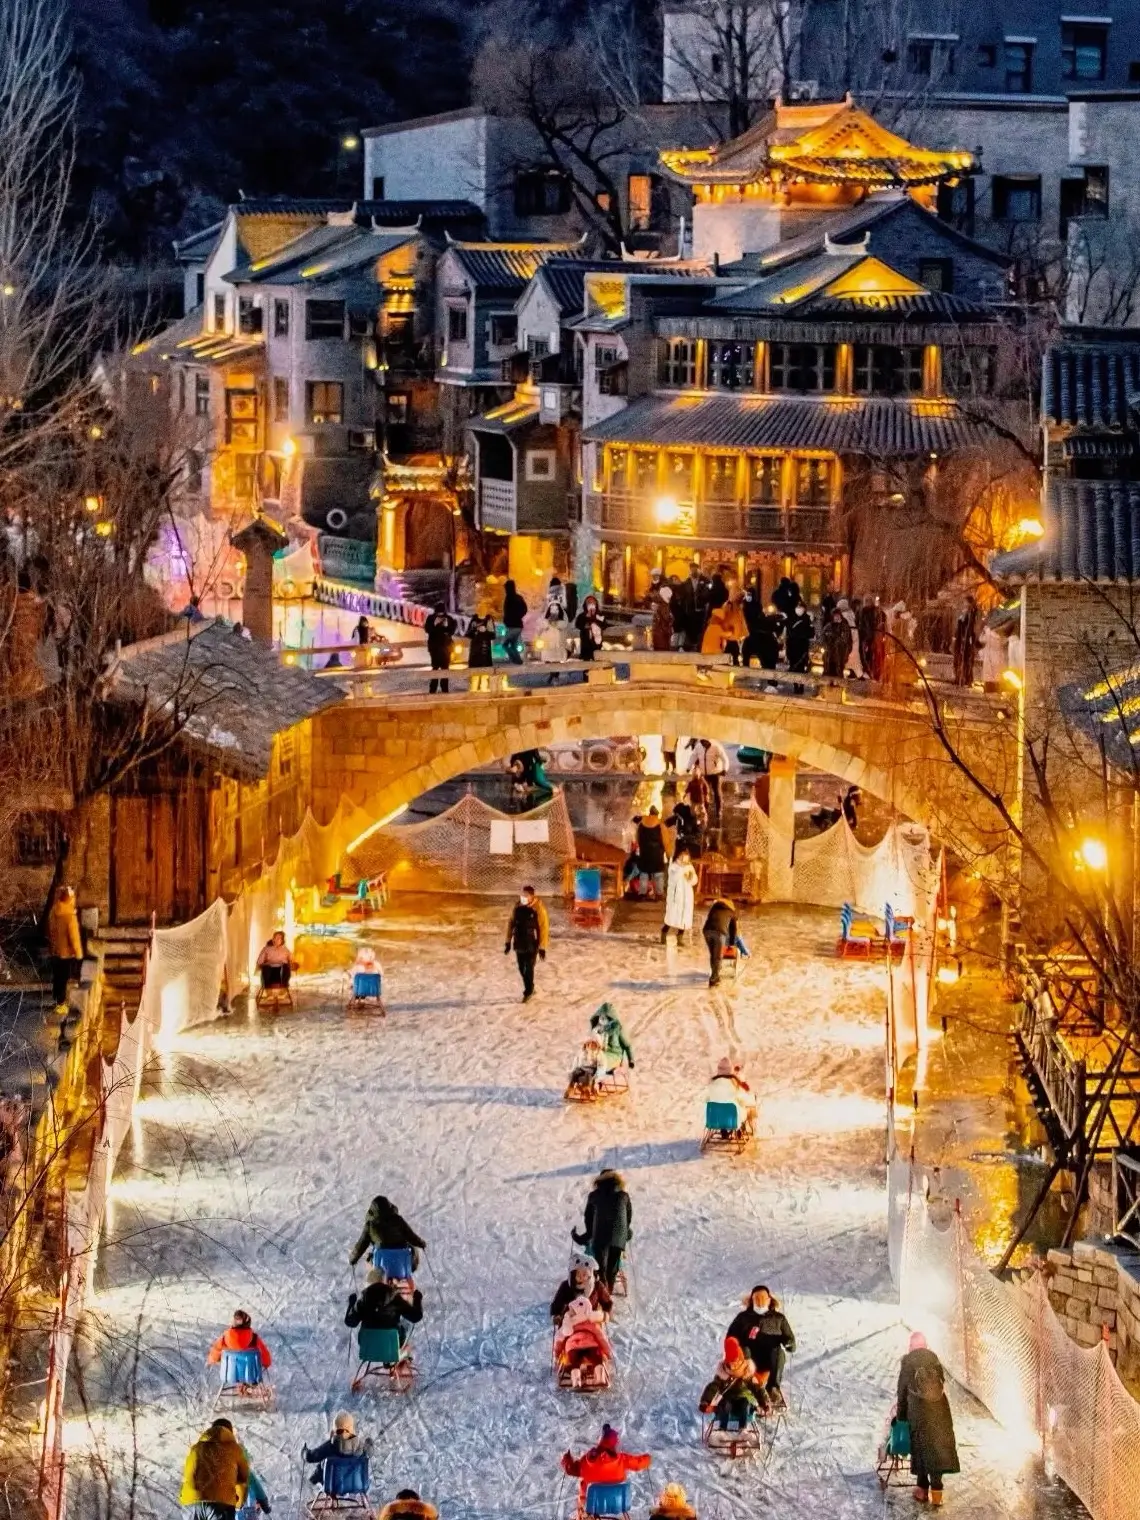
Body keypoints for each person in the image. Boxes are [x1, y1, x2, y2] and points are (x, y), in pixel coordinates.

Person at [897, 1331, 959, 1506]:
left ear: (911, 1347)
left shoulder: (908, 1362)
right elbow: (941, 1384)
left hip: (918, 1412)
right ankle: (937, 1495)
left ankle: (922, 1490)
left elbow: (902, 1392)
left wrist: (901, 1418)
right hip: (939, 1411)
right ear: (925, 1346)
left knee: (921, 1449)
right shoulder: (934, 1359)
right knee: (937, 1448)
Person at [726, 1286, 796, 1399]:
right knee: (744, 1348)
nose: (760, 1302)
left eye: (763, 1298)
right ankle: (740, 1385)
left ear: (769, 1300)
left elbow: (790, 1339)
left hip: (769, 1360)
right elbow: (731, 1337)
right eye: (757, 1299)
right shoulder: (743, 1317)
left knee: (778, 1352)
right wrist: (735, 1350)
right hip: (748, 1359)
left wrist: (789, 1343)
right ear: (752, 1300)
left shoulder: (779, 1319)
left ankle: (773, 1388)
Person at [572, 1170, 632, 1291]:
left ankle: (603, 1292)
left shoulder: (594, 1195)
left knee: (600, 1267)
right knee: (612, 1269)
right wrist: (627, 1233)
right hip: (619, 1238)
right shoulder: (624, 1196)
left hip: (600, 1237)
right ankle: (608, 1292)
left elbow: (588, 1218)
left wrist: (581, 1237)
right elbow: (628, 1218)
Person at [560, 1425, 650, 1505]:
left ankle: (582, 1509)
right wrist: (648, 1458)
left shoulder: (586, 1463)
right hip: (616, 1503)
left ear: (601, 1441)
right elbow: (640, 1464)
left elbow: (569, 1469)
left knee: (583, 1484)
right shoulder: (623, 1460)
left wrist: (566, 1458)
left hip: (592, 1504)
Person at [180, 1418, 249, 1520]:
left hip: (191, 1504)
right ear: (230, 1432)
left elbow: (187, 1476)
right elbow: (242, 1480)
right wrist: (239, 1504)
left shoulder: (196, 1448)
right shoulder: (235, 1450)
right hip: (220, 1504)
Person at [699, 1335, 771, 1427]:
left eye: (735, 1362)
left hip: (744, 1399)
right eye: (731, 1363)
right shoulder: (723, 1373)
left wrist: (764, 1401)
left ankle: (743, 1428)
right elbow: (713, 1387)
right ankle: (722, 1428)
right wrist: (706, 1401)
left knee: (744, 1404)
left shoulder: (746, 1373)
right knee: (724, 1404)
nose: (733, 1366)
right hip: (728, 1400)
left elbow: (757, 1388)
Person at [345, 1266, 423, 1343]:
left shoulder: (364, 1297)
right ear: (384, 1280)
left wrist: (352, 1303)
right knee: (403, 1325)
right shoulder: (393, 1296)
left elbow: (350, 1322)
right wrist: (417, 1298)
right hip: (390, 1346)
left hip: (368, 1347)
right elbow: (416, 1317)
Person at [348, 1196, 426, 1269]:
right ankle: (408, 1272)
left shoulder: (370, 1225)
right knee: (413, 1249)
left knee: (371, 1257)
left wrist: (353, 1259)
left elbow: (361, 1245)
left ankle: (376, 1274)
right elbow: (411, 1236)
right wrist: (421, 1243)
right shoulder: (398, 1219)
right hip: (401, 1257)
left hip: (382, 1259)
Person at [553, 1294, 614, 1382]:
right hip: (591, 1345)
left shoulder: (568, 1324)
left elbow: (559, 1340)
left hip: (573, 1347)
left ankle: (576, 1378)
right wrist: (607, 1352)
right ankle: (600, 1375)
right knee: (597, 1359)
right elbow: (601, 1338)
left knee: (574, 1362)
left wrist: (557, 1353)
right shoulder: (591, 1323)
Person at [504, 884, 548, 1002]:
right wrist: (508, 941)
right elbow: (511, 923)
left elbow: (544, 928)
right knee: (521, 968)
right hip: (519, 942)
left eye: (526, 895)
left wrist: (542, 947)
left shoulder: (538, 908)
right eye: (522, 894)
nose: (523, 897)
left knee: (529, 968)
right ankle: (530, 986)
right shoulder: (517, 906)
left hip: (532, 943)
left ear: (532, 896)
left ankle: (528, 991)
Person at [302, 1412, 373, 1485]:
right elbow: (369, 1453)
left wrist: (305, 1452)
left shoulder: (330, 1446)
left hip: (331, 1486)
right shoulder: (360, 1447)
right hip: (353, 1485)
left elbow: (310, 1457)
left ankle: (310, 1484)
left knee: (321, 1466)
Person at [47, 884, 83, 1010]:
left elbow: (50, 931)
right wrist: (79, 953)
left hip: (55, 951)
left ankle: (56, 1000)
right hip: (66, 953)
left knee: (57, 977)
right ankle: (61, 1004)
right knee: (64, 978)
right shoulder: (70, 917)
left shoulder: (54, 912)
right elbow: (74, 937)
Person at [550, 1254, 614, 1323]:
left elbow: (607, 1302)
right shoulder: (566, 1285)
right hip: (570, 1320)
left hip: (590, 1320)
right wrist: (557, 1315)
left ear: (589, 1275)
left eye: (584, 1274)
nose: (581, 1277)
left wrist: (606, 1313)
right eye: (578, 1274)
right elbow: (558, 1302)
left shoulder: (597, 1285)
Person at [206, 1309, 272, 1370]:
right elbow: (264, 1353)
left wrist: (211, 1360)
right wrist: (267, 1364)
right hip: (249, 1372)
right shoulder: (254, 1338)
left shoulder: (225, 1337)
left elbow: (215, 1350)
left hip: (230, 1373)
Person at [662, 849, 698, 946]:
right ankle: (664, 933)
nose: (684, 860)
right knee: (672, 917)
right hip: (676, 897)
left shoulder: (690, 867)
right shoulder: (674, 866)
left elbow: (694, 880)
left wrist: (691, 878)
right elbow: (673, 878)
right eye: (682, 857)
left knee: (684, 919)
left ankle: (680, 938)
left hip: (686, 896)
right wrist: (683, 868)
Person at [631, 806, 668, 897]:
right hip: (657, 853)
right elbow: (665, 840)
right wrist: (666, 850)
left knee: (644, 873)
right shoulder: (660, 825)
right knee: (658, 874)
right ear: (657, 814)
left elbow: (637, 838)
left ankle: (642, 893)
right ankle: (659, 893)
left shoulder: (641, 824)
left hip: (644, 852)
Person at [589, 1003, 634, 1073]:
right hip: (601, 1053)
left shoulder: (618, 1028)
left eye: (606, 1018)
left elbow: (627, 1045)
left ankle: (594, 1073)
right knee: (589, 1058)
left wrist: (631, 1060)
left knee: (600, 1061)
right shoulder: (598, 1029)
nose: (602, 1020)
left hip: (615, 1055)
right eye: (601, 1017)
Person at [702, 898, 737, 988]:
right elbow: (733, 930)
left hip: (707, 931)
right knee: (717, 956)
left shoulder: (714, 907)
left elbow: (709, 919)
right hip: (719, 933)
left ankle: (715, 974)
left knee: (713, 954)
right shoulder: (731, 912)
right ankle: (713, 979)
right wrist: (731, 944)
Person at [674, 563, 709, 651]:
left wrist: (701, 598)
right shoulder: (687, 582)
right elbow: (682, 595)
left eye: (695, 569)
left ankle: (699, 645)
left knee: (700, 627)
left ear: (698, 569)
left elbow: (708, 592)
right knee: (690, 627)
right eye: (692, 569)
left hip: (701, 609)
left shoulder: (705, 581)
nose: (693, 571)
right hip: (690, 609)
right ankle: (691, 645)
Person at [424, 603, 456, 695]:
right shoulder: (431, 618)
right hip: (434, 648)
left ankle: (445, 689)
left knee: (445, 669)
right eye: (439, 613)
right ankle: (433, 689)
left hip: (446, 648)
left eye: (441, 613)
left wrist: (446, 626)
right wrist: (435, 624)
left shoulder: (448, 619)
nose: (440, 615)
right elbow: (427, 629)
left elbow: (451, 631)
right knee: (435, 668)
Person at [693, 739, 728, 820]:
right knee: (704, 792)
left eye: (704, 742)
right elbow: (693, 756)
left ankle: (718, 811)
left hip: (716, 773)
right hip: (704, 774)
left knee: (717, 792)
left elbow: (725, 759)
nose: (703, 744)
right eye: (701, 742)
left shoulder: (716, 746)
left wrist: (725, 769)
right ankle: (705, 811)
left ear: (708, 741)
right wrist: (689, 766)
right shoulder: (699, 746)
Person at [540, 580, 570, 663]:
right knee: (549, 650)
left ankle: (556, 664)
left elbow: (564, 623)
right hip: (549, 642)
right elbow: (543, 622)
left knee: (557, 651)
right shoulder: (559, 594)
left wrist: (556, 624)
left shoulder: (561, 612)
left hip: (558, 641)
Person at [467, 606, 496, 685]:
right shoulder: (474, 620)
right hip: (475, 652)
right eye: (480, 609)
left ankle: (484, 688)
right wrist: (475, 630)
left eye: (483, 609)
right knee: (474, 676)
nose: (481, 611)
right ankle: (474, 689)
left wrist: (485, 631)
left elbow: (493, 635)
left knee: (485, 675)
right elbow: (468, 634)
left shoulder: (489, 620)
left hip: (485, 652)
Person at [502, 579, 527, 665]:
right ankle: (517, 661)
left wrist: (507, 620)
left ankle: (515, 660)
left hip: (512, 626)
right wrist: (519, 616)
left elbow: (506, 612)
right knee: (513, 644)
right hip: (519, 625)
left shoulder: (508, 598)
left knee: (505, 644)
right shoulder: (519, 597)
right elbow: (525, 609)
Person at [822, 608, 852, 678]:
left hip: (840, 654)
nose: (836, 617)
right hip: (829, 654)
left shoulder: (844, 626)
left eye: (838, 615)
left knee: (838, 672)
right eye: (835, 615)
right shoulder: (828, 626)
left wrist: (833, 636)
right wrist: (826, 642)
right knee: (827, 671)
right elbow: (822, 636)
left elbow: (845, 639)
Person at [784, 603, 813, 673]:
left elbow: (811, 633)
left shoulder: (807, 619)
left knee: (800, 666)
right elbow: (788, 632)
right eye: (798, 607)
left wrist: (802, 634)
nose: (799, 609)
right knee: (792, 664)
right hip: (792, 645)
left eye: (801, 608)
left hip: (802, 646)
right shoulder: (791, 618)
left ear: (804, 609)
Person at [575, 594, 605, 661]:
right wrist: (587, 618)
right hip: (585, 643)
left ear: (596, 604)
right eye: (589, 602)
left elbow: (604, 625)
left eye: (592, 602)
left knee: (597, 658)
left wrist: (595, 619)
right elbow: (578, 625)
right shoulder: (582, 615)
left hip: (597, 644)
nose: (591, 604)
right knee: (586, 659)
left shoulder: (600, 615)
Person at [651, 585, 674, 651]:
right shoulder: (663, 605)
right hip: (663, 635)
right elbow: (666, 618)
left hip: (657, 633)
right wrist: (672, 618)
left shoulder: (657, 603)